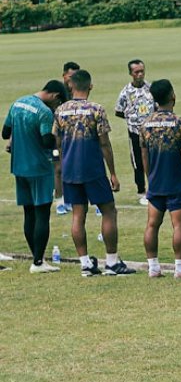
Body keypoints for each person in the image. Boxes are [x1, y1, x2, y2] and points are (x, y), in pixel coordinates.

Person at [54, 69, 135, 276]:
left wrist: (61, 167)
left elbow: (57, 142)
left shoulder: (61, 110)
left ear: (71, 85)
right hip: (92, 168)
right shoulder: (96, 109)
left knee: (78, 215)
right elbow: (105, 143)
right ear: (90, 86)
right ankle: (112, 262)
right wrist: (113, 173)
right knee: (108, 210)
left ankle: (85, 264)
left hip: (70, 170)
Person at [2, 80, 68, 273]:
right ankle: (38, 262)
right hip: (38, 168)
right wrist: (57, 139)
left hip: (19, 167)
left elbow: (5, 132)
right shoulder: (44, 112)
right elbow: (47, 141)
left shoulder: (18, 102)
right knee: (42, 214)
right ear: (55, 96)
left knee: (28, 213)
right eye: (57, 104)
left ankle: (36, 256)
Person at [140, 79, 181, 279]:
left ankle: (153, 267)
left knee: (152, 224)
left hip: (155, 181)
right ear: (173, 96)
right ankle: (180, 269)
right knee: (179, 226)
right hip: (177, 181)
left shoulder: (145, 125)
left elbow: (144, 156)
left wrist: (149, 177)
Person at [114, 59, 155, 205]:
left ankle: (154, 188)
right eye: (136, 72)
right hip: (135, 132)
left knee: (152, 160)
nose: (140, 74)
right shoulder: (126, 92)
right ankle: (141, 191)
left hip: (151, 131)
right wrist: (132, 118)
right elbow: (118, 111)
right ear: (130, 73)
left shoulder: (151, 88)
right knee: (138, 161)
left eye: (142, 71)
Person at [54, 61, 80, 215]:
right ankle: (59, 201)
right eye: (70, 77)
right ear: (64, 76)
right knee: (58, 168)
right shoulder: (57, 91)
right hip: (57, 135)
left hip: (73, 137)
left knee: (71, 167)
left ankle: (69, 198)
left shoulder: (77, 92)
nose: (72, 80)